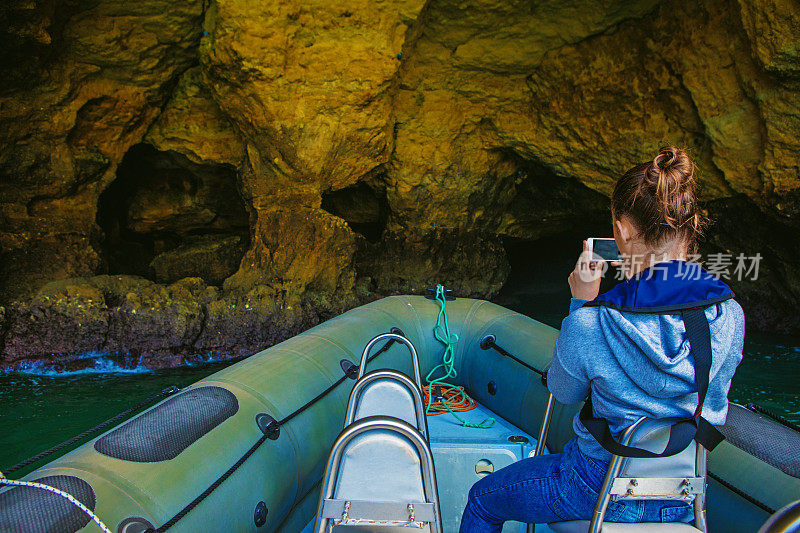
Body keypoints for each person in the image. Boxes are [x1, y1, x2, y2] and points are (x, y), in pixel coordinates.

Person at [459, 146, 745, 532]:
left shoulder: (593, 322)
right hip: (683, 494)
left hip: (593, 485)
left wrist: (581, 303)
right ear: (690, 226)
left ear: (623, 230)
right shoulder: (728, 313)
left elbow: (563, 391)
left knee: (482, 501)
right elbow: (715, 399)